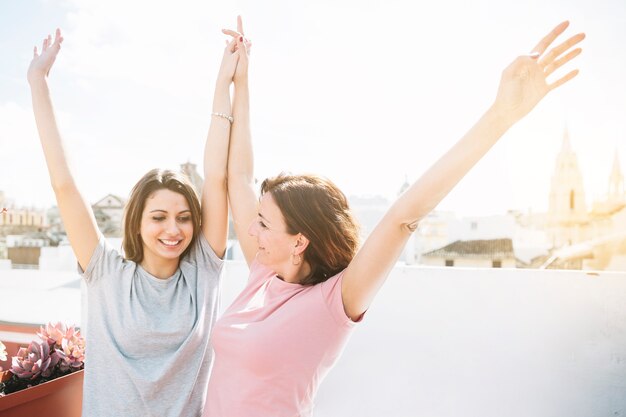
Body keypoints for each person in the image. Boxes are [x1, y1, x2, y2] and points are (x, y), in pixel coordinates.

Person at [204, 17, 585, 417]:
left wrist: (501, 115)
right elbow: (240, 177)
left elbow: (404, 216)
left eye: (263, 224)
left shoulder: (333, 302)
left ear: (300, 242)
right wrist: (239, 80)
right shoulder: (263, 275)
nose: (250, 229)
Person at [27, 28, 239, 416]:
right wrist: (38, 81)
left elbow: (219, 176)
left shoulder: (202, 273)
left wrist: (225, 82)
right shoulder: (105, 272)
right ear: (137, 223)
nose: (173, 230)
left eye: (184, 218)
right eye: (159, 217)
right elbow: (65, 185)